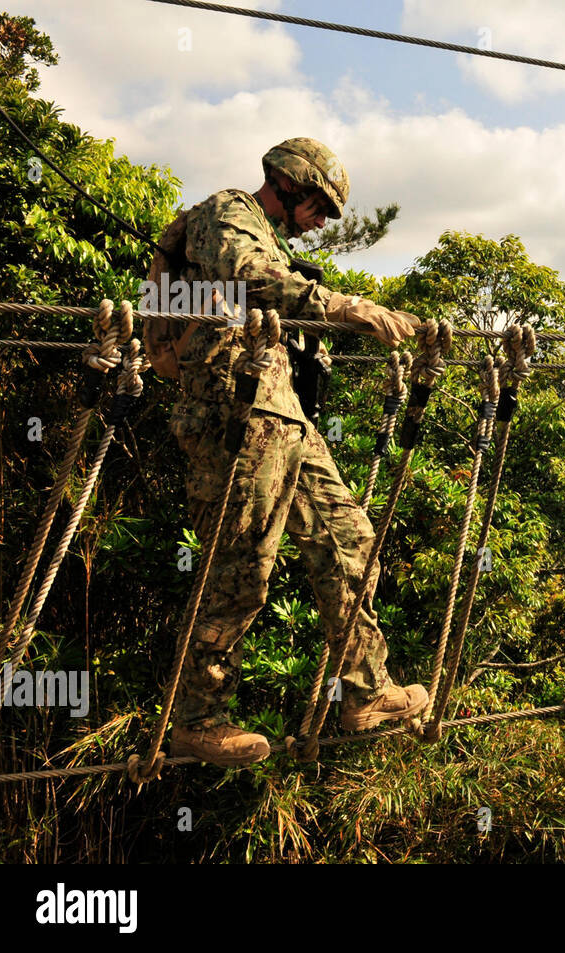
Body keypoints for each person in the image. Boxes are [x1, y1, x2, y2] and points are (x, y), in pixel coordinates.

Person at [144, 137, 425, 766]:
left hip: (280, 412)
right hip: (231, 412)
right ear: (292, 184)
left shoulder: (270, 238)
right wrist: (346, 307)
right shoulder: (228, 212)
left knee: (350, 537)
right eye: (320, 206)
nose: (322, 223)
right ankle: (197, 718)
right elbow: (246, 274)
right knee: (241, 568)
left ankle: (366, 689)